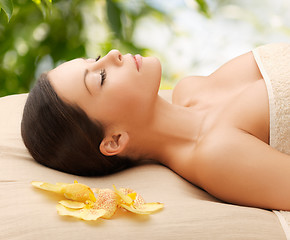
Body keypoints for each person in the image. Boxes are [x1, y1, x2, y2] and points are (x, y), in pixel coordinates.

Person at [21, 43, 290, 211]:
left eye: (97, 58)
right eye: (101, 78)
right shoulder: (216, 156)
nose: (113, 55)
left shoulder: (193, 88)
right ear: (114, 140)